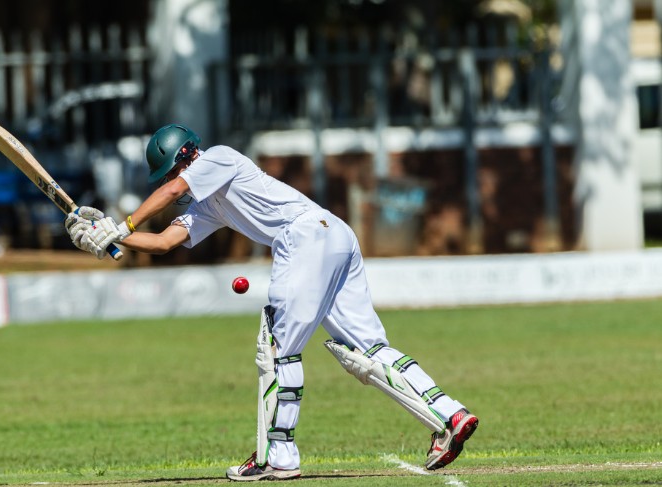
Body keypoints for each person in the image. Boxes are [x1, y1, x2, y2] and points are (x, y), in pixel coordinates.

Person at [65, 123, 479, 480]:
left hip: (303, 238)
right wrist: (109, 236)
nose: (171, 181)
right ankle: (450, 417)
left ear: (188, 155)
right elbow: (163, 242)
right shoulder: (208, 203)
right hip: (333, 236)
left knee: (277, 348)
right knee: (366, 351)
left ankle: (276, 457)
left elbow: (175, 188)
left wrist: (123, 223)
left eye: (174, 169)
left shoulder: (218, 158)